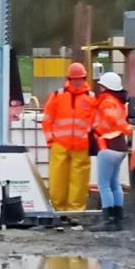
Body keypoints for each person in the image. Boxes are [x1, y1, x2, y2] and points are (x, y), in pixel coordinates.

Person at [41, 62, 96, 212]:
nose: (78, 82)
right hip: (60, 144)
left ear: (85, 78)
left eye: (81, 78)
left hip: (81, 146)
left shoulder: (91, 98)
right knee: (58, 181)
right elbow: (47, 119)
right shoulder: (57, 96)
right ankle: (58, 211)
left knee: (79, 182)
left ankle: (75, 213)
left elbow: (95, 122)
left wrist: (91, 140)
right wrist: (50, 140)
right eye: (75, 79)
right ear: (69, 79)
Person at [89, 72, 133, 232]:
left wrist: (97, 128)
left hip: (108, 146)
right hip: (120, 146)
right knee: (114, 183)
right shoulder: (120, 102)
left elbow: (111, 119)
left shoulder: (107, 101)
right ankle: (117, 219)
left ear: (105, 87)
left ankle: (108, 220)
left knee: (104, 184)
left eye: (101, 85)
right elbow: (121, 122)